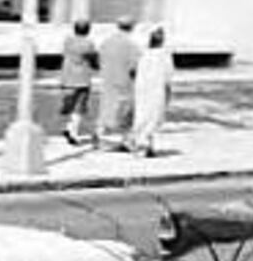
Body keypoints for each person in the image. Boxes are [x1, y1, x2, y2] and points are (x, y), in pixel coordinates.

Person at [92, 19, 140, 151]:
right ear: (131, 28)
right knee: (126, 112)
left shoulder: (106, 42)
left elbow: (98, 61)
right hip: (124, 82)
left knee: (106, 108)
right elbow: (135, 67)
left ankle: (99, 134)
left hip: (108, 80)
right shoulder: (131, 45)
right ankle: (126, 140)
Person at [131, 24, 176, 157]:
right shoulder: (165, 55)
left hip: (142, 87)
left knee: (142, 114)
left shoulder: (143, 53)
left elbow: (134, 70)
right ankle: (145, 145)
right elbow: (168, 75)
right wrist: (168, 89)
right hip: (156, 88)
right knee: (154, 116)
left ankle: (142, 143)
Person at [54, 21, 98, 146]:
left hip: (67, 78)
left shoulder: (68, 41)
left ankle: (68, 128)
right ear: (88, 30)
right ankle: (73, 133)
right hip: (82, 79)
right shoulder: (88, 44)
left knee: (67, 105)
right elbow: (93, 60)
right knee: (79, 108)